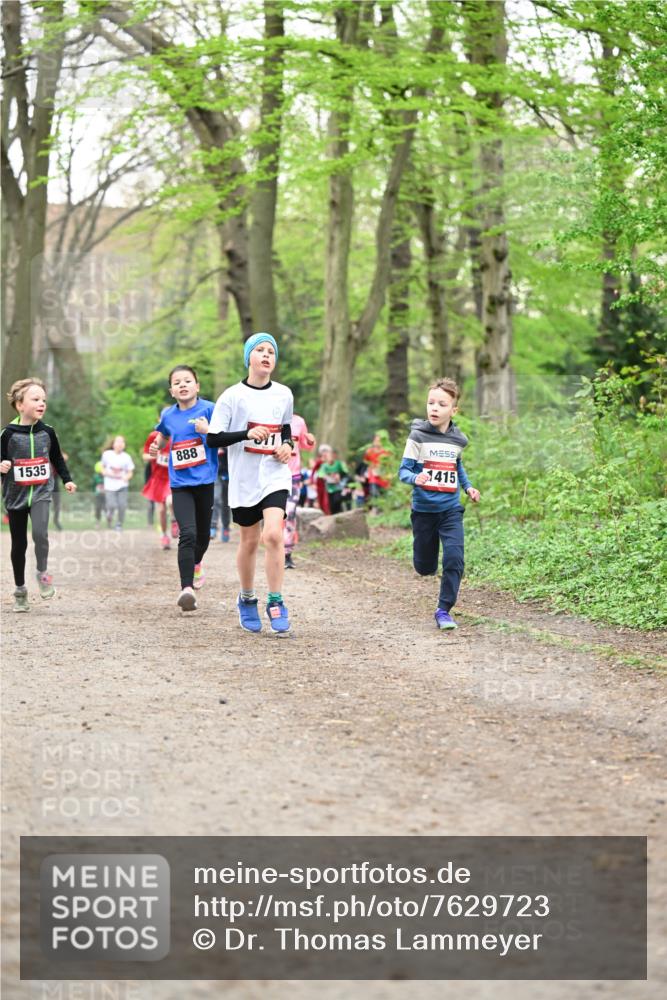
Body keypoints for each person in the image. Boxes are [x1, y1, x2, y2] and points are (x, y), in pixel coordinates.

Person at [204, 332, 294, 635]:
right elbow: (213, 437)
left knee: (273, 535)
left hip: (274, 473)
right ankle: (246, 598)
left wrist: (287, 445)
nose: (267, 355)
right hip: (244, 479)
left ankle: (276, 601)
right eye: (260, 350)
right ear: (248, 358)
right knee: (250, 541)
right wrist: (244, 434)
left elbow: (285, 428)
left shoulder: (283, 393)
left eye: (271, 351)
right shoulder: (232, 396)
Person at [398, 377, 480, 630]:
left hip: (450, 509)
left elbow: (457, 466)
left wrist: (467, 487)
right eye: (430, 403)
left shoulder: (458, 440)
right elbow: (403, 471)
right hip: (423, 511)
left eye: (441, 404)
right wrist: (416, 477)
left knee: (455, 558)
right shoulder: (417, 436)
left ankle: (443, 610)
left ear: (453, 410)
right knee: (425, 567)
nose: (434, 408)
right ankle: (425, 562)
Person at [0, 378, 77, 611]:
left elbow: (56, 458)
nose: (41, 403)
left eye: (43, 399)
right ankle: (20, 590)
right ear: (20, 405)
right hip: (16, 496)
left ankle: (42, 574)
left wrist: (67, 479)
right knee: (19, 544)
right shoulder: (8, 434)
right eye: (35, 399)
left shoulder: (48, 432)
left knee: (41, 534)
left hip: (42, 492)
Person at [149, 366, 218, 611]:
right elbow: (164, 435)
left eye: (188, 381)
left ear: (197, 386)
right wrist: (157, 447)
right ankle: (186, 589)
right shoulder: (168, 415)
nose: (183, 385)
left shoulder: (210, 409)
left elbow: (222, 435)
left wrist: (207, 430)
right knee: (187, 533)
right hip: (180, 484)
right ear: (171, 391)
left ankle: (196, 563)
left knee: (203, 536)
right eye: (177, 382)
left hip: (205, 481)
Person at [284, 413, 315, 569]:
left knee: (290, 512)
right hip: (272, 475)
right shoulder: (269, 417)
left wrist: (310, 441)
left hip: (294, 475)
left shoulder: (299, 421)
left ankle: (287, 553)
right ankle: (274, 550)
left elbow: (304, 444)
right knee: (274, 515)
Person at [142, 427, 172, 549]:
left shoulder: (178, 434)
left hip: (173, 476)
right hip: (158, 477)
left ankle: (175, 520)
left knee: (171, 501)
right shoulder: (153, 436)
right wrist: (154, 455)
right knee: (161, 510)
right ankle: (164, 535)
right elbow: (145, 456)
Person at [101, 435, 134, 530]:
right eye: (118, 442)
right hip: (110, 485)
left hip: (122, 485)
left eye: (122, 442)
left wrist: (127, 477)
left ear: (124, 445)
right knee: (111, 505)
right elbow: (102, 466)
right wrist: (104, 472)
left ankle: (119, 524)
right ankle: (109, 515)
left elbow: (130, 472)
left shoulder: (127, 457)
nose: (120, 444)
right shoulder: (107, 454)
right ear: (113, 444)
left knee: (122, 505)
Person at [364, 431, 391, 511]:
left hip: (384, 475)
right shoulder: (369, 451)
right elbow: (366, 461)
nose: (377, 442)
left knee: (383, 494)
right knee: (374, 491)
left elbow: (389, 463)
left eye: (379, 441)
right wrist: (370, 467)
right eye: (376, 440)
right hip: (373, 475)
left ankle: (383, 509)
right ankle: (375, 508)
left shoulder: (386, 452)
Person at [210, 448, 231, 542]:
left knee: (226, 503)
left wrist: (224, 449)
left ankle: (225, 527)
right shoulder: (212, 435)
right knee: (216, 498)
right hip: (215, 474)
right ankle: (213, 526)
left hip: (228, 474)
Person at [320, 446, 348, 516]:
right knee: (331, 505)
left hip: (337, 487)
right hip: (329, 488)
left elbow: (345, 472)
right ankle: (334, 516)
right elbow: (320, 474)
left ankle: (340, 513)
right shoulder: (324, 466)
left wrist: (339, 475)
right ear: (327, 458)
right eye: (329, 457)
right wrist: (325, 476)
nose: (331, 458)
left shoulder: (338, 464)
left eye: (332, 456)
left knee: (337, 501)